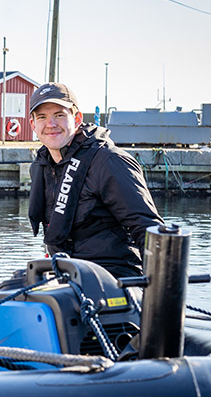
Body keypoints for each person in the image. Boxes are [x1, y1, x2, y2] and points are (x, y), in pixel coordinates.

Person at [27, 82, 164, 279]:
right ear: (33, 124)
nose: (51, 124)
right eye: (42, 117)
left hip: (113, 278)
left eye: (59, 115)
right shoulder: (41, 167)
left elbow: (149, 230)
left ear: (77, 118)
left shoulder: (108, 161)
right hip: (66, 275)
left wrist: (155, 294)